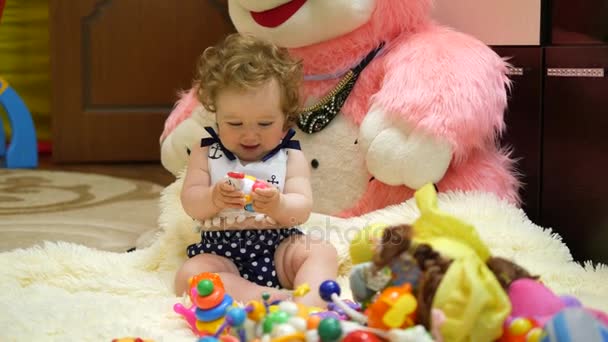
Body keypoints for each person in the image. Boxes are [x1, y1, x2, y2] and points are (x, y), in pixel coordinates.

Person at [174, 33, 338, 308]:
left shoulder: (290, 154)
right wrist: (213, 198)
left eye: (264, 123)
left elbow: (302, 208)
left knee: (322, 251)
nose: (250, 135)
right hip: (222, 252)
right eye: (235, 123)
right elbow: (191, 202)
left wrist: (279, 204)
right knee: (188, 277)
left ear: (285, 116)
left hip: (279, 248)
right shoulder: (206, 151)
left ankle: (309, 305)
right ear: (216, 113)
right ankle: (265, 297)